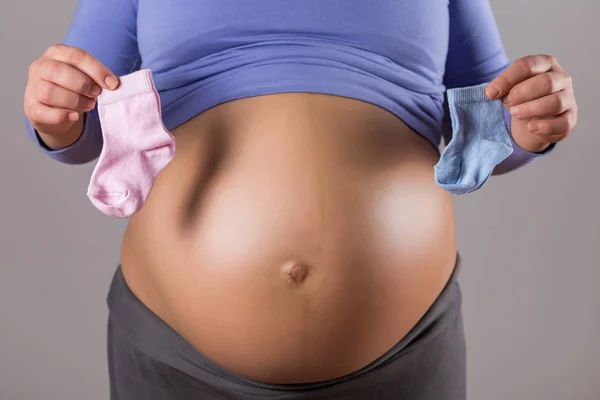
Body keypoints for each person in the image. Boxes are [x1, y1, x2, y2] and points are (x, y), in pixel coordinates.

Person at [22, 0, 577, 398]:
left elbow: (491, 130)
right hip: (177, 355)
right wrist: (55, 113)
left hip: (402, 356)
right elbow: (83, 123)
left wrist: (533, 122)